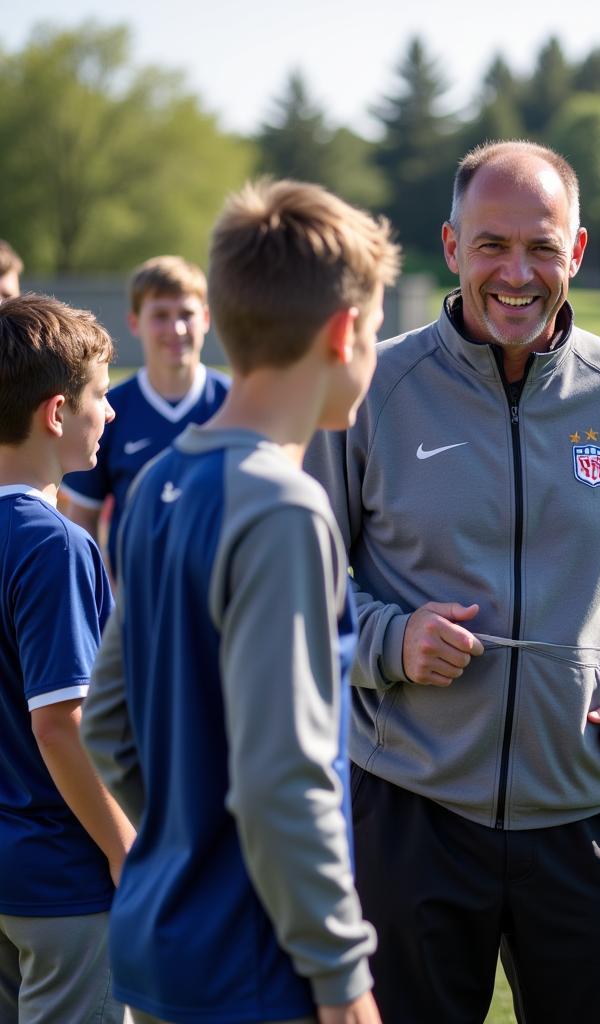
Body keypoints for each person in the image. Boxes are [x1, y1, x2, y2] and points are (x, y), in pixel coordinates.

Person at [304, 139, 600, 1023]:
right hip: (410, 815)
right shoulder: (372, 391)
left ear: (576, 253)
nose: (518, 273)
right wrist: (392, 641)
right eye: (493, 246)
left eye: (542, 247)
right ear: (451, 246)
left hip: (586, 815)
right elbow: (291, 593)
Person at [81, 179, 400, 1024]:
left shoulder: (153, 485)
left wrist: (188, 839)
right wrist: (341, 978)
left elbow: (106, 725)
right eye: (373, 330)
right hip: (255, 965)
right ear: (343, 333)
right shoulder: (285, 509)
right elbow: (281, 781)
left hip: (163, 940)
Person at [0, 294, 134, 1022]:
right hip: (61, 881)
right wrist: (123, 849)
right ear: (57, 413)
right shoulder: (55, 545)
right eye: (101, 396)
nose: (109, 415)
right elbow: (62, 723)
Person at [62, 255, 229, 582]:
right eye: (160, 315)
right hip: (136, 606)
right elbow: (83, 513)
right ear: (134, 322)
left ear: (207, 319)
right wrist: (106, 596)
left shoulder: (234, 403)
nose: (176, 328)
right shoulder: (108, 408)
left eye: (187, 314)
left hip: (222, 605)